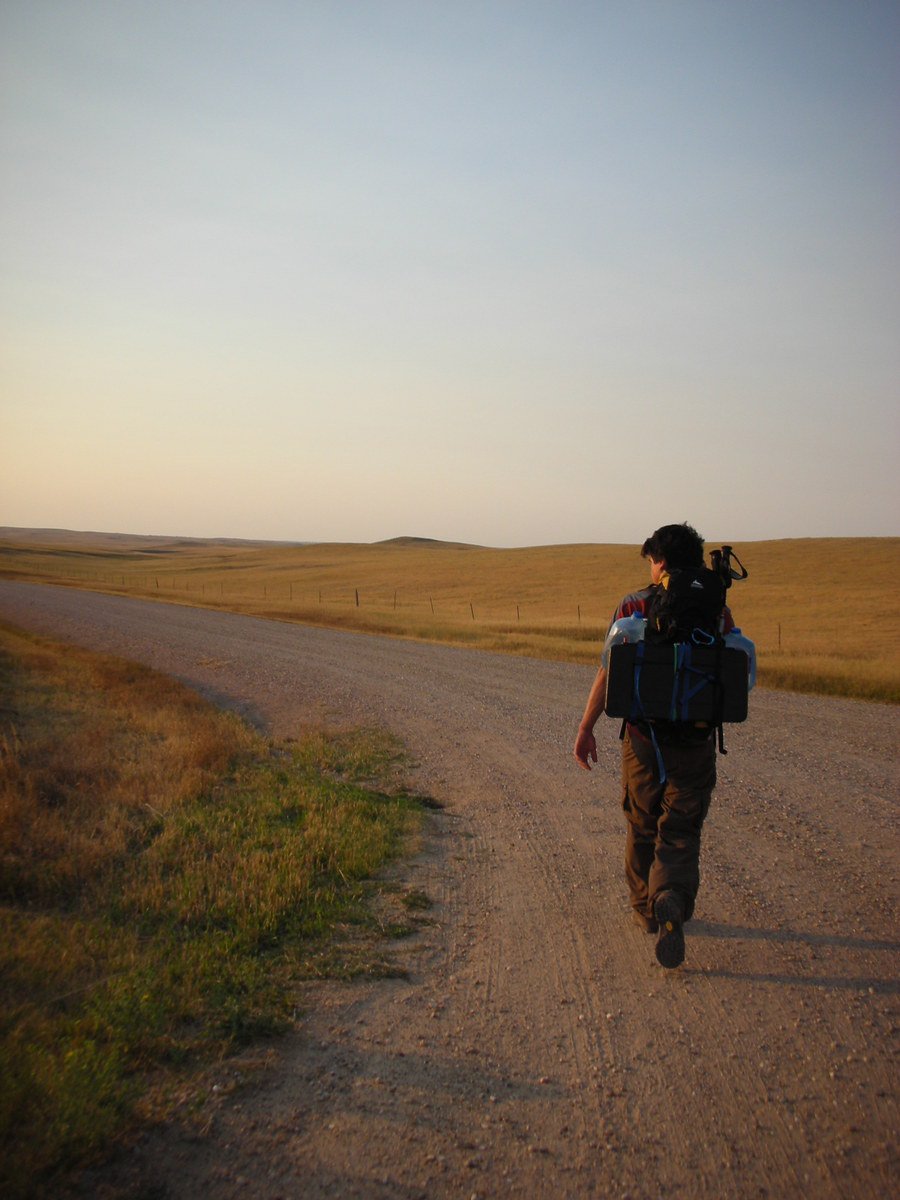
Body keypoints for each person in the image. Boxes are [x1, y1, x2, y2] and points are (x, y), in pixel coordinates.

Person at [573, 522, 735, 969]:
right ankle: (672, 899)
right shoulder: (715, 608)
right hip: (698, 738)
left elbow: (609, 671)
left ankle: (648, 909)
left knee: (642, 821)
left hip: (644, 739)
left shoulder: (635, 604)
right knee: (681, 829)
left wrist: (587, 727)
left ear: (659, 560)